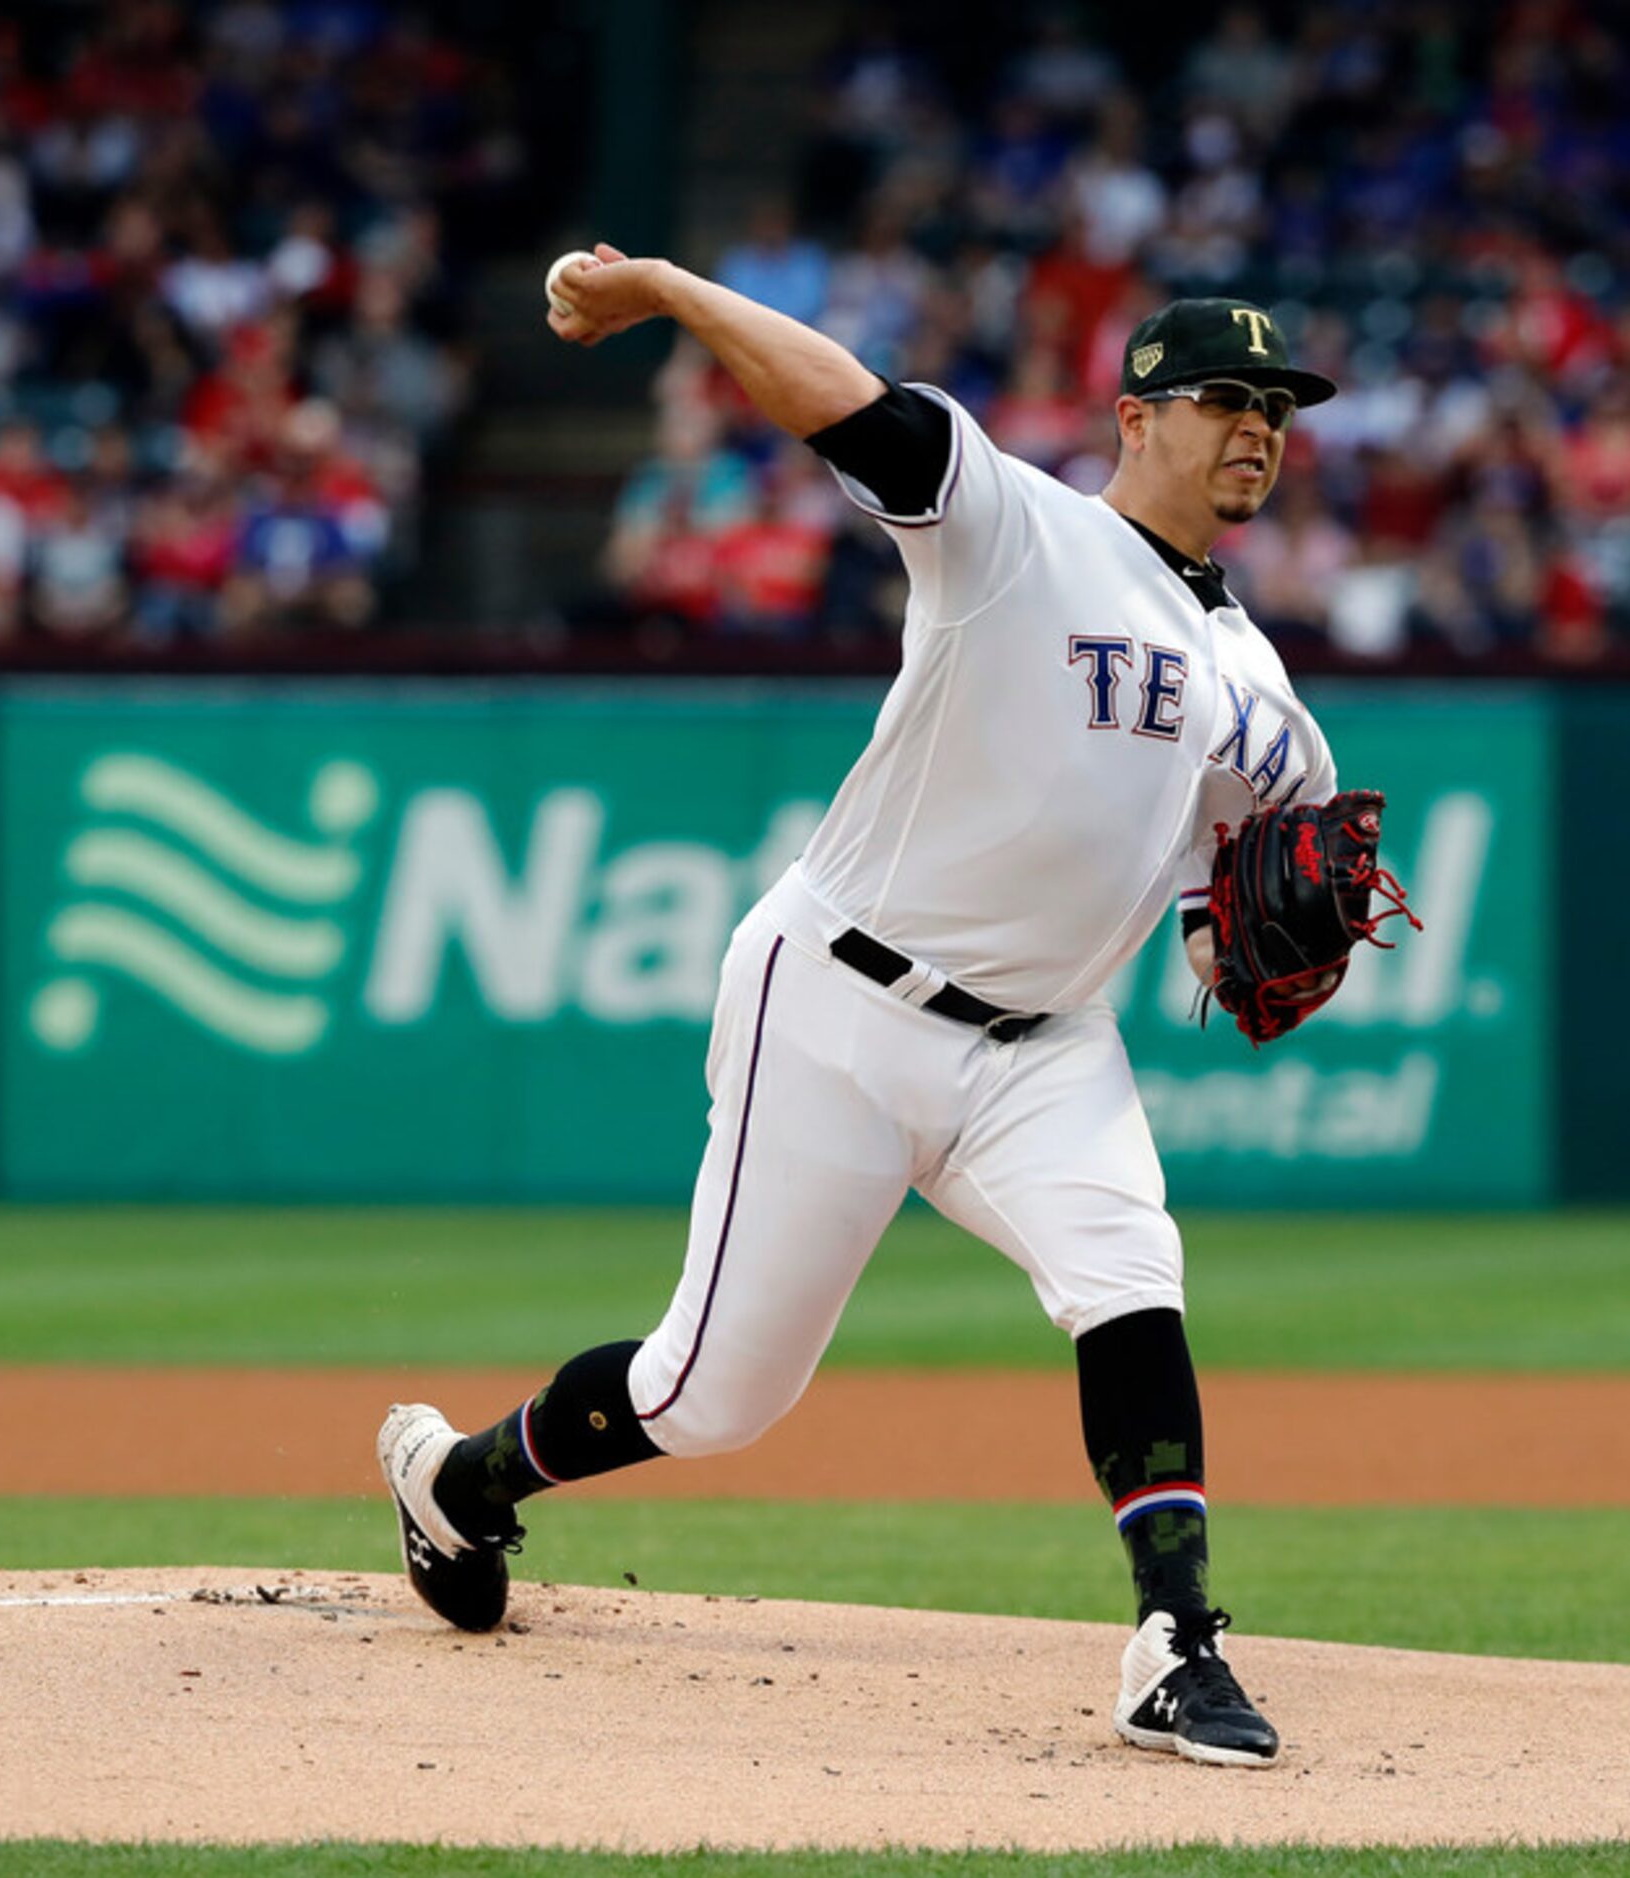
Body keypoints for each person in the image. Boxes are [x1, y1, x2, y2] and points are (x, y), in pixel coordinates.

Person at [380, 242, 1354, 1770]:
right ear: (1133, 419)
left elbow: (1226, 890)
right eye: (1223, 397)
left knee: (1128, 1263)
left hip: (1045, 1046)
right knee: (710, 1392)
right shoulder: (1020, 530)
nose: (1256, 427)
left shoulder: (1259, 682)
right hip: (840, 1003)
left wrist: (1233, 946)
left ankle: (1176, 1639)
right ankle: (459, 1482)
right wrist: (682, 295)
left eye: (1277, 408)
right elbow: (851, 405)